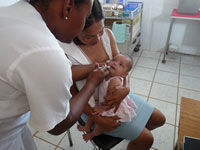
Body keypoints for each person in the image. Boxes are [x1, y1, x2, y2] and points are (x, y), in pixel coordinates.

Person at [0, 0, 110, 149]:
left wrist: (93, 68)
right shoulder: (46, 53)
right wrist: (91, 84)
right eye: (84, 17)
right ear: (68, 8)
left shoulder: (9, 11)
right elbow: (58, 125)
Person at [60, 0, 166, 149]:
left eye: (101, 31)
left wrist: (125, 90)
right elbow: (72, 96)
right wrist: (98, 119)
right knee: (147, 140)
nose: (98, 39)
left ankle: (134, 139)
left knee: (159, 119)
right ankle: (136, 138)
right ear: (75, 29)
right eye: (89, 36)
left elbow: (123, 70)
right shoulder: (64, 50)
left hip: (116, 97)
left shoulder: (108, 35)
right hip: (90, 107)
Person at [77, 54, 138, 142]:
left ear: (125, 74)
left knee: (99, 125)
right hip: (103, 102)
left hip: (111, 107)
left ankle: (93, 134)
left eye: (120, 65)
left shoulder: (115, 81)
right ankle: (87, 127)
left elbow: (112, 102)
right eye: (114, 60)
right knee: (91, 114)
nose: (115, 63)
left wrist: (102, 109)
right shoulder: (107, 74)